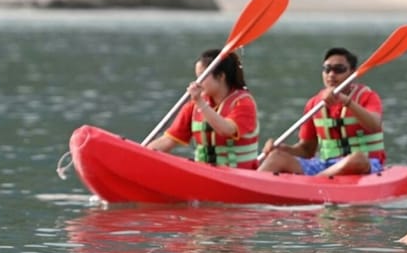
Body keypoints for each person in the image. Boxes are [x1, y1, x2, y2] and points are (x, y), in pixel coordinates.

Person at [258, 46, 385, 177]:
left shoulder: (367, 97)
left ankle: (315, 183)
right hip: (326, 165)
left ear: (352, 73)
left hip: (367, 164)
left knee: (357, 159)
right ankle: (251, 186)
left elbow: (374, 125)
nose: (331, 74)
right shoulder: (314, 103)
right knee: (277, 156)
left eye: (339, 69)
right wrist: (282, 148)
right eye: (327, 69)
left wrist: (346, 101)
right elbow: (306, 150)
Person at [146, 49, 259, 169]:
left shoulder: (244, 103)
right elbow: (168, 141)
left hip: (237, 176)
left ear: (221, 77)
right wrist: (142, 154)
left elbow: (226, 130)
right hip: (205, 172)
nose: (197, 83)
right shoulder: (194, 105)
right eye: (197, 77)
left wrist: (200, 102)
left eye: (202, 77)